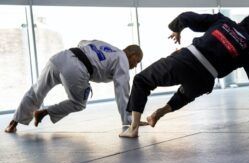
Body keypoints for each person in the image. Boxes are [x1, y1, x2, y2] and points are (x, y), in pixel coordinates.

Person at [119, 12, 249, 138]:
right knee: (186, 93)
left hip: (185, 61)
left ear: (240, 22)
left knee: (141, 80)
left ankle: (133, 128)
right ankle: (161, 112)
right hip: (205, 80)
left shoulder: (224, 21)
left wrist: (176, 29)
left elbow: (187, 17)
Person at [5, 39, 145, 133]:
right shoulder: (122, 59)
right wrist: (128, 123)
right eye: (137, 61)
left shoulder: (106, 46)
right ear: (132, 54)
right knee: (78, 103)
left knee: (36, 91)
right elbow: (122, 91)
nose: (135, 66)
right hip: (77, 69)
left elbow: (82, 42)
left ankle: (13, 123)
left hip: (60, 57)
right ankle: (44, 112)